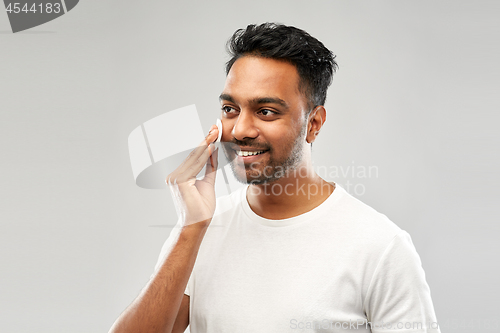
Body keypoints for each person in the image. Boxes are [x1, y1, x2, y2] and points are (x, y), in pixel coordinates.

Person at [109, 23, 441, 333]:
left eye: (266, 111)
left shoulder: (381, 247)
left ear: (314, 123)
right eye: (230, 109)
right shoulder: (200, 232)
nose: (240, 130)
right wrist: (191, 228)